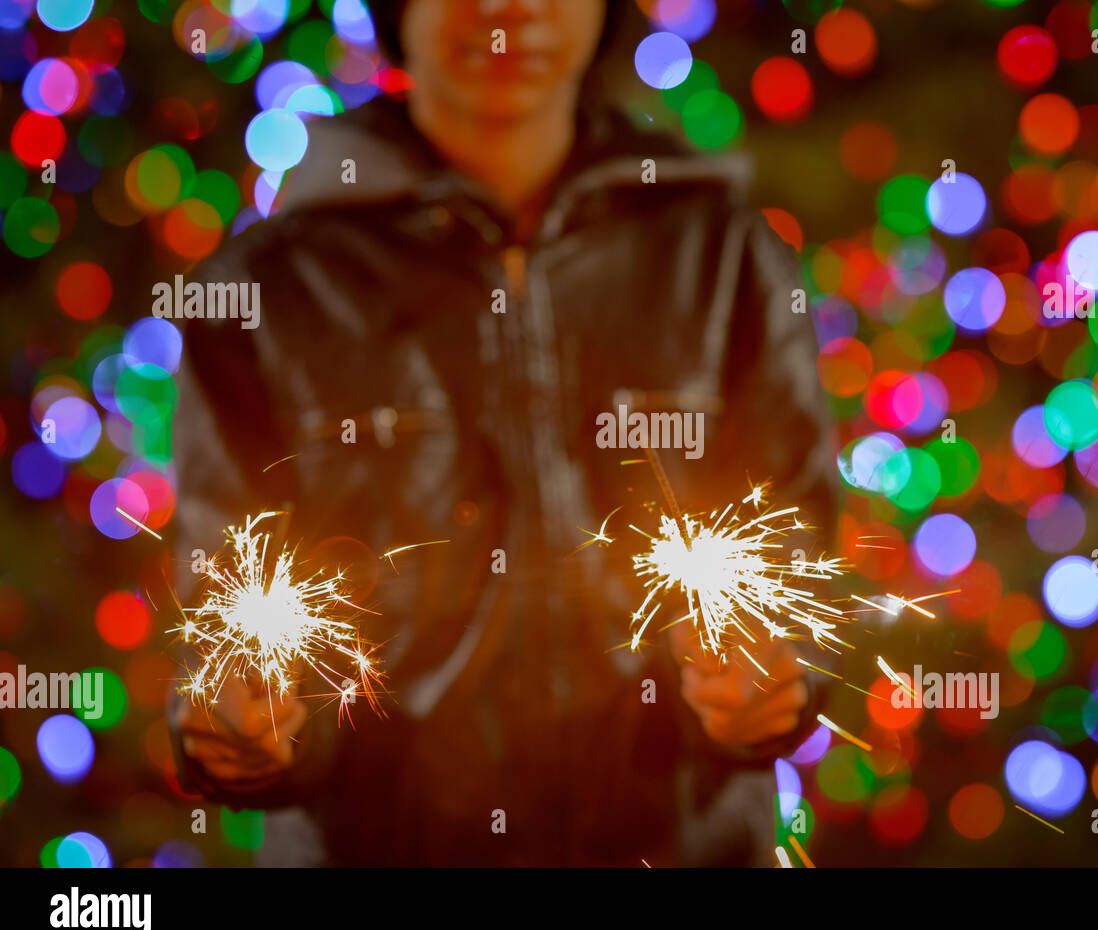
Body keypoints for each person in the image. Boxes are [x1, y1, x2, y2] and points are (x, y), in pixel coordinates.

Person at [167, 0, 838, 866]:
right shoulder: (269, 291)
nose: (506, 11)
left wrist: (765, 690)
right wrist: (250, 731)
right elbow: (225, 615)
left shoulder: (723, 259)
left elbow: (797, 570)